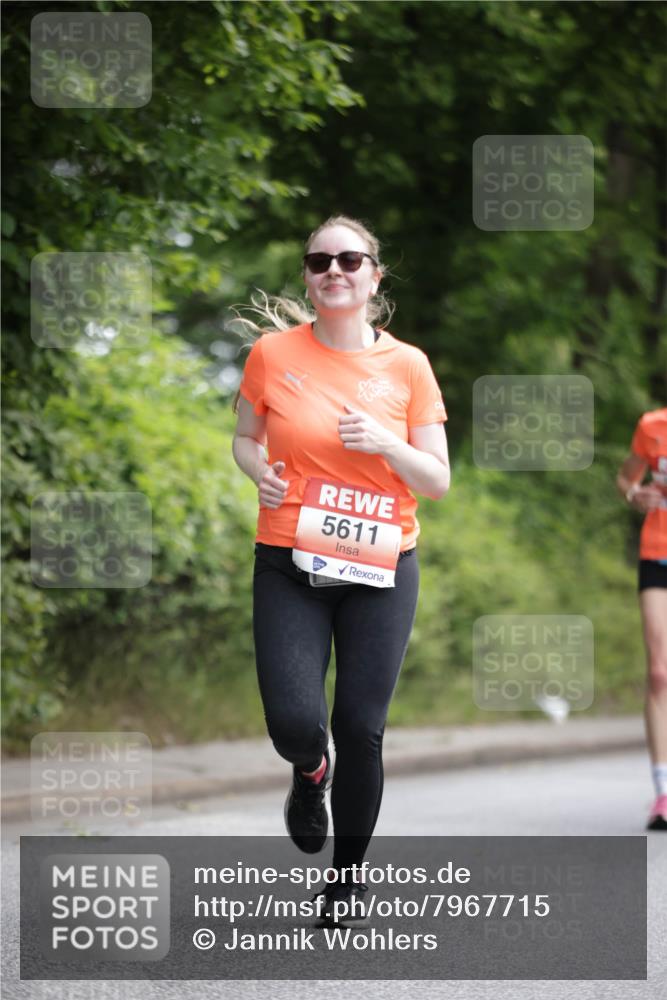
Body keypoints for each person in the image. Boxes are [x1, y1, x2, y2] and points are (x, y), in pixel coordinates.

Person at [231, 215, 449, 924]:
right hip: (288, 559)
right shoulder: (270, 354)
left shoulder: (407, 366)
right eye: (320, 260)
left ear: (373, 276)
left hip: (381, 566)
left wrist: (387, 442)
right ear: (306, 274)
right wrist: (258, 471)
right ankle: (307, 770)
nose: (334, 270)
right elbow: (243, 436)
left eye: (350, 260)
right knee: (296, 721)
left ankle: (347, 881)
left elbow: (437, 480)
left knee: (360, 724)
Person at [616, 407, 667, 831]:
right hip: (658, 555)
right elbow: (625, 479)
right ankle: (663, 793)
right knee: (658, 673)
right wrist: (636, 495)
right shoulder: (653, 427)